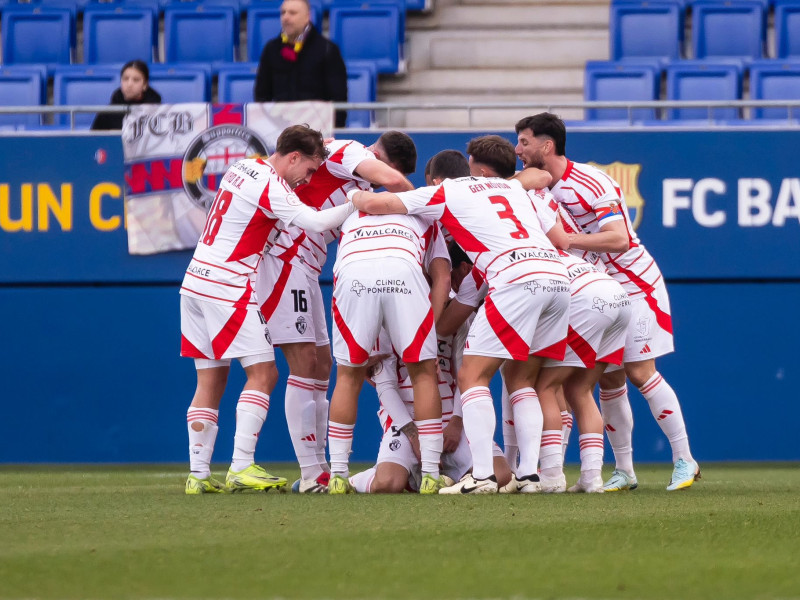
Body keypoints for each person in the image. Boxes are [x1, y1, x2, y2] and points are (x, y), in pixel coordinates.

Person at [350, 147, 571, 495]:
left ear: (436, 180)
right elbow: (541, 176)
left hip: (514, 274)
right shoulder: (506, 186)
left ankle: (481, 476)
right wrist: (499, 186)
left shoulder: (445, 192)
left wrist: (355, 192)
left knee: (472, 375)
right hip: (557, 276)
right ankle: (535, 476)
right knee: (525, 379)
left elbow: (378, 204)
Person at [514, 112, 701, 492]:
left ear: (547, 146)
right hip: (596, 289)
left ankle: (685, 459)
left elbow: (619, 239)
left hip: (633, 283)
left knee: (640, 373)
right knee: (609, 381)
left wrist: (568, 241)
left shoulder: (591, 181)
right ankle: (625, 470)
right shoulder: (535, 188)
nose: (519, 150)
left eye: (524, 142)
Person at [180, 125, 355, 494]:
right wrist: (358, 202)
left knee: (210, 380)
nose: (307, 178)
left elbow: (258, 225)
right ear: (293, 157)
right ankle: (242, 464)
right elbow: (317, 222)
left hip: (194, 282)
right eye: (307, 169)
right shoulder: (271, 183)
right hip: (227, 287)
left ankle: (198, 475)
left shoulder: (241, 168)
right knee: (264, 375)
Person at [254, 132, 417, 493]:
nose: (378, 184)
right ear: (377, 156)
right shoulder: (349, 151)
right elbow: (393, 181)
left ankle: (321, 469)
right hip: (284, 258)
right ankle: (312, 473)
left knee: (322, 365)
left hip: (307, 265)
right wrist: (414, 202)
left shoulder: (353, 178)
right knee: (303, 364)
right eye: (380, 170)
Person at [326, 174, 449, 495]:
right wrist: (429, 336)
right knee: (423, 373)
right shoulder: (425, 212)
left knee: (348, 376)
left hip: (353, 274)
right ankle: (431, 474)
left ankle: (337, 475)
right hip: (403, 272)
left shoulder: (351, 212)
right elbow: (442, 277)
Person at [253, 0, 348, 128]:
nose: (285, 17)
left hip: (318, 129)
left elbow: (338, 98)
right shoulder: (271, 49)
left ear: (307, 17)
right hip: (280, 128)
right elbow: (261, 95)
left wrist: (334, 133)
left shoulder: (327, 49)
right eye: (283, 12)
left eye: (292, 13)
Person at [91, 60, 161, 131]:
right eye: (125, 79)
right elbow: (93, 140)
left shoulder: (157, 112)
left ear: (145, 85)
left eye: (136, 80)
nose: (129, 84)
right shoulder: (107, 114)